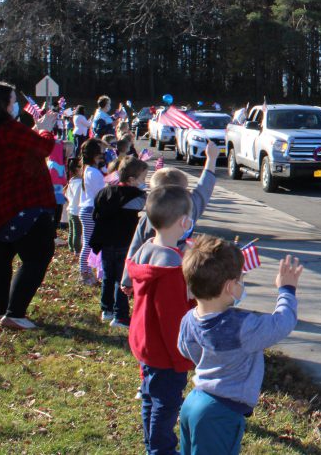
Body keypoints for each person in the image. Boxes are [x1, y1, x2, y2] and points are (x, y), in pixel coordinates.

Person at [177, 238, 301, 455]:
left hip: (194, 402)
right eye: (241, 279)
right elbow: (282, 323)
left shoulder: (189, 319)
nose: (243, 283)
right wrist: (287, 290)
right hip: (220, 413)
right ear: (229, 287)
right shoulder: (242, 327)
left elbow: (186, 350)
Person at [0, 81, 59, 331]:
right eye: (12, 100)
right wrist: (45, 129)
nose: (15, 104)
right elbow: (43, 147)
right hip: (18, 203)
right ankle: (14, 312)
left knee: (0, 255)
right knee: (37, 256)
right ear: (2, 104)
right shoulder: (9, 129)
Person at [127, 186, 197, 455]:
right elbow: (171, 319)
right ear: (183, 221)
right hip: (165, 352)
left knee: (149, 396)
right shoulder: (169, 267)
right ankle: (161, 450)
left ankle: (151, 444)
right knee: (166, 404)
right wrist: (181, 357)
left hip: (145, 342)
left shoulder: (146, 249)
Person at [121, 142, 219, 295]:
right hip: (180, 269)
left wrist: (127, 279)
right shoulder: (189, 209)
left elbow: (135, 248)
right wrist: (211, 159)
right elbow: (204, 188)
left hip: (149, 272)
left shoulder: (148, 216)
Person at [91, 157, 149, 329]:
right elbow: (141, 207)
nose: (144, 182)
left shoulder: (105, 193)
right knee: (121, 280)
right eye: (143, 178)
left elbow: (97, 212)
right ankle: (120, 315)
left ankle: (106, 309)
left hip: (106, 241)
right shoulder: (135, 196)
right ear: (132, 180)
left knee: (108, 276)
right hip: (125, 242)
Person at [78, 138, 107, 285]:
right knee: (89, 244)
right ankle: (84, 273)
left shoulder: (91, 170)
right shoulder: (93, 172)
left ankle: (88, 271)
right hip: (91, 210)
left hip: (88, 209)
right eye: (101, 152)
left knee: (89, 243)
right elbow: (102, 190)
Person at [65, 157, 84, 253]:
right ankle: (77, 249)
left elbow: (67, 195)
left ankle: (71, 247)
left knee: (71, 231)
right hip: (77, 211)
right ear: (77, 169)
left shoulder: (71, 181)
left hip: (70, 210)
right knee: (77, 232)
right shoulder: (80, 183)